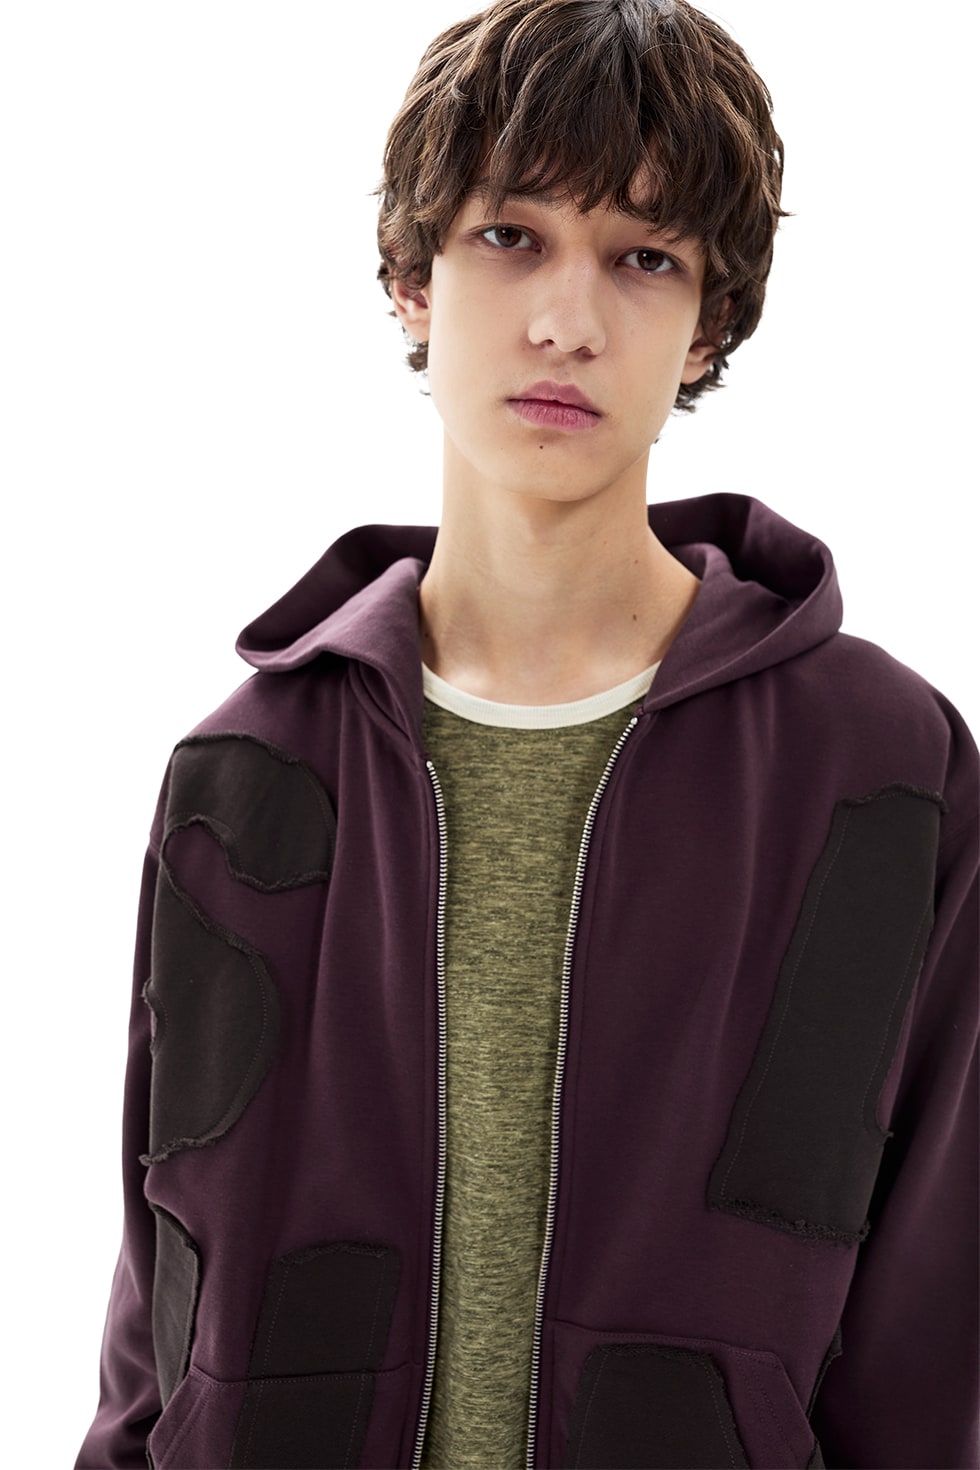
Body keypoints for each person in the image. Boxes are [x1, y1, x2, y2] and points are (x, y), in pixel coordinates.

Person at [76, 0, 978, 1466]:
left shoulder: (881, 770)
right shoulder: (246, 767)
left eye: (644, 257)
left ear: (710, 324)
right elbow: (154, 1324)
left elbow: (935, 1338)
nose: (569, 320)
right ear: (411, 279)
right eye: (511, 235)